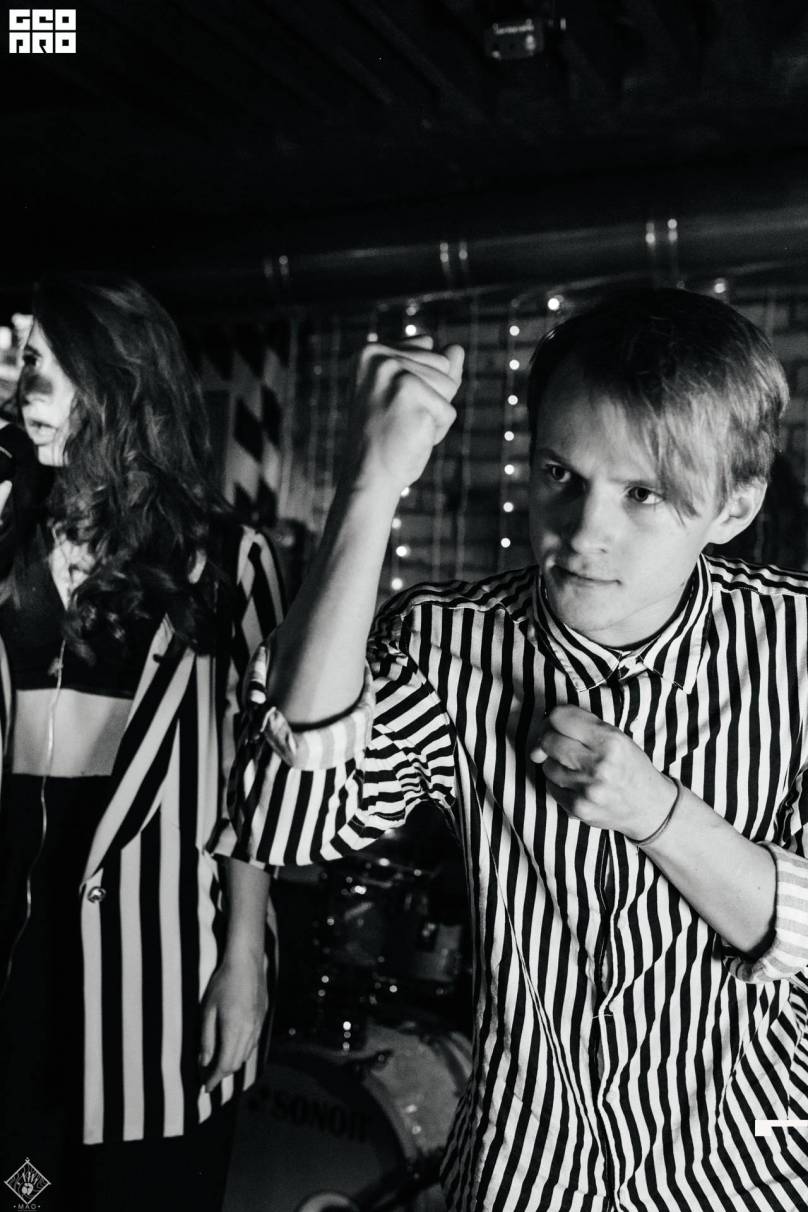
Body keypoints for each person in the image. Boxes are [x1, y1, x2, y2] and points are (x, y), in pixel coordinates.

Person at [223, 288, 808, 1211]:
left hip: (744, 1174)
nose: (582, 533)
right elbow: (287, 820)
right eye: (560, 475)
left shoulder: (797, 647)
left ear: (734, 507)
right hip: (526, 1175)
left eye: (643, 494)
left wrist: (659, 816)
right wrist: (369, 488)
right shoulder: (447, 640)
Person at [0, 275, 284, 1211]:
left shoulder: (229, 562)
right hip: (21, 955)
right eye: (24, 366)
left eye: (49, 368)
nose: (26, 392)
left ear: (117, 381)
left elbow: (259, 783)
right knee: (24, 1189)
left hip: (160, 968)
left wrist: (243, 957)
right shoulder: (10, 546)